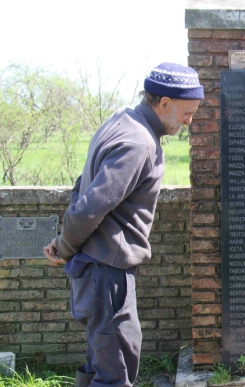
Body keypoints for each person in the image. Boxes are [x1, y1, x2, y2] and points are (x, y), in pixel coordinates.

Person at [42, 63, 203, 387]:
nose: (190, 121)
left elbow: (81, 185)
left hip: (96, 269)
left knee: (100, 362)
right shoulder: (138, 143)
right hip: (107, 273)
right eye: (187, 113)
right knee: (116, 371)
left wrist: (66, 243)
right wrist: (64, 247)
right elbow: (91, 205)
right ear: (165, 103)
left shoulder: (120, 121)